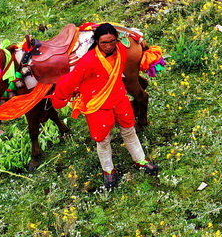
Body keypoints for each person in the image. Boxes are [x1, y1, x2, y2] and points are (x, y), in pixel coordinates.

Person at [52, 24, 158, 190]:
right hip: (97, 104)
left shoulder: (122, 52)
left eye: (112, 41)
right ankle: (108, 170)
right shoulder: (87, 61)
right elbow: (70, 81)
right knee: (102, 139)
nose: (108, 46)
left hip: (118, 98)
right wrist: (59, 98)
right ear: (97, 42)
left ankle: (140, 159)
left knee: (129, 129)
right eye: (104, 43)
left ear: (116, 40)